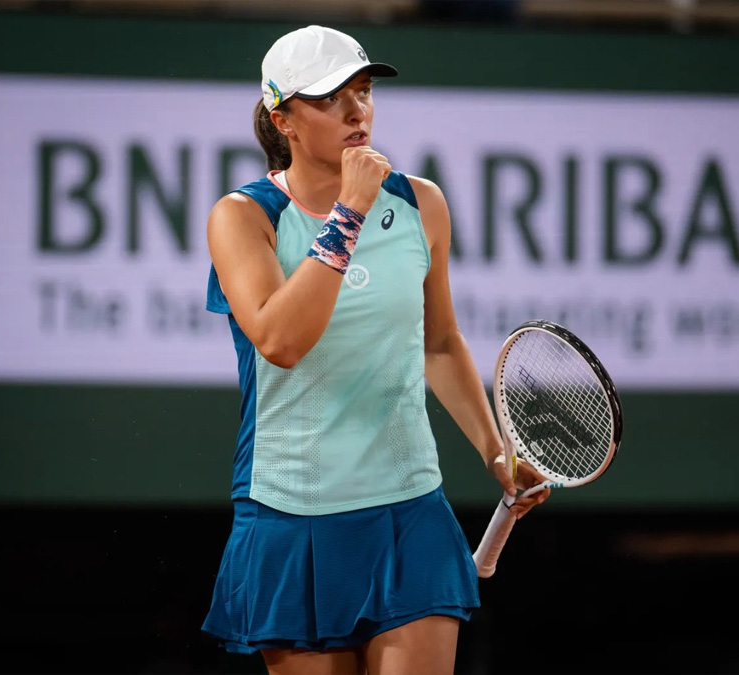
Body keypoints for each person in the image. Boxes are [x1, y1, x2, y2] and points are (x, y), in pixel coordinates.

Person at [200, 25, 550, 675]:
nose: (356, 111)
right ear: (283, 119)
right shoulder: (243, 216)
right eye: (330, 98)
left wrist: (495, 449)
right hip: (291, 512)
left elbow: (439, 341)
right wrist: (350, 210)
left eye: (363, 91)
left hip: (409, 507)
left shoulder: (422, 205)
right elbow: (280, 341)